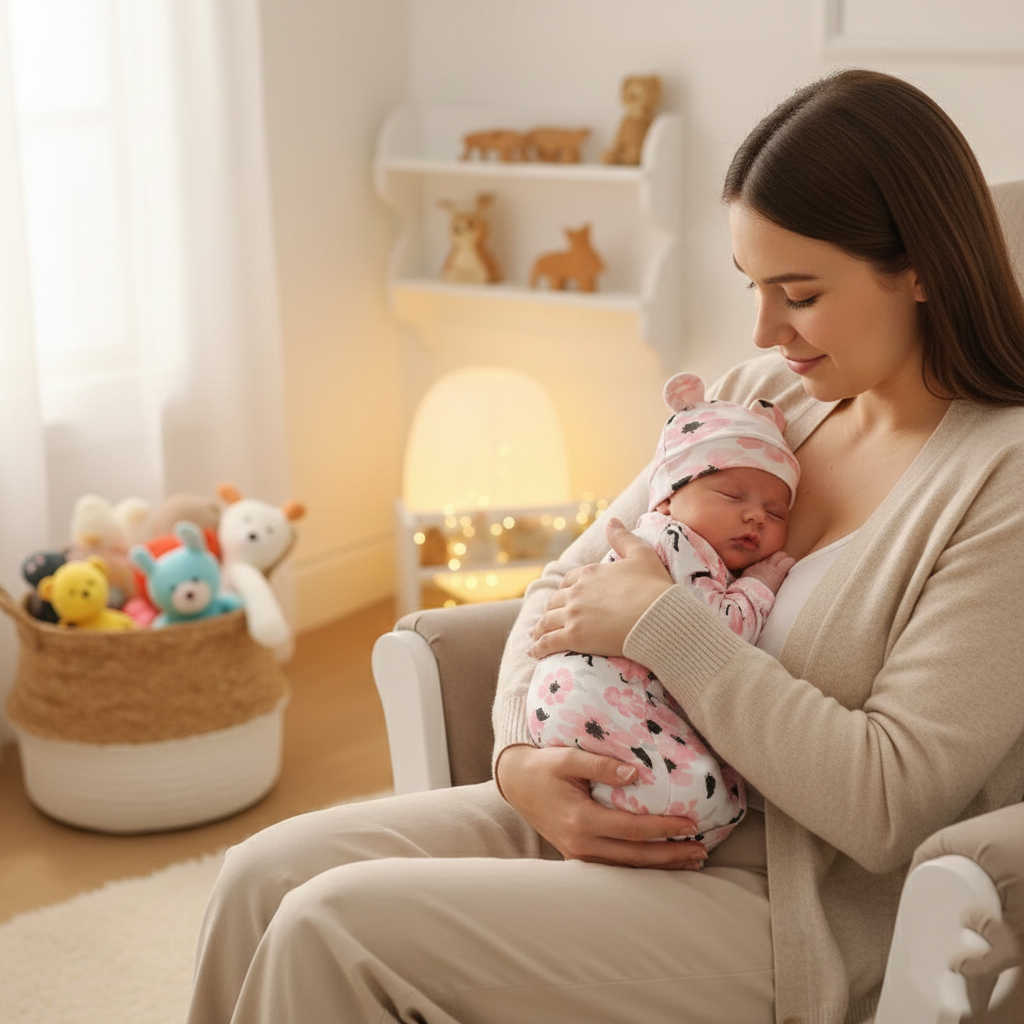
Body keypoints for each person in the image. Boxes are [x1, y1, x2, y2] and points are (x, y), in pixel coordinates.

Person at [185, 68, 1024, 1024]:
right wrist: (517, 765)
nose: (762, 328)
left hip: (790, 901)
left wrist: (665, 627)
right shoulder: (768, 400)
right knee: (260, 876)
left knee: (331, 925)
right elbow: (566, 585)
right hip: (618, 790)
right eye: (752, 286)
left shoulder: (1003, 482)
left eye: (799, 292)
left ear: (919, 266)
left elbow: (887, 801)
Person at [528, 370, 799, 848]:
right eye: (733, 496)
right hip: (596, 692)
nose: (756, 515)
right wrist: (759, 585)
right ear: (669, 499)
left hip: (571, 702)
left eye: (776, 512)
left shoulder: (683, 544)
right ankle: (665, 833)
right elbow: (714, 633)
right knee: (700, 800)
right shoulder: (672, 540)